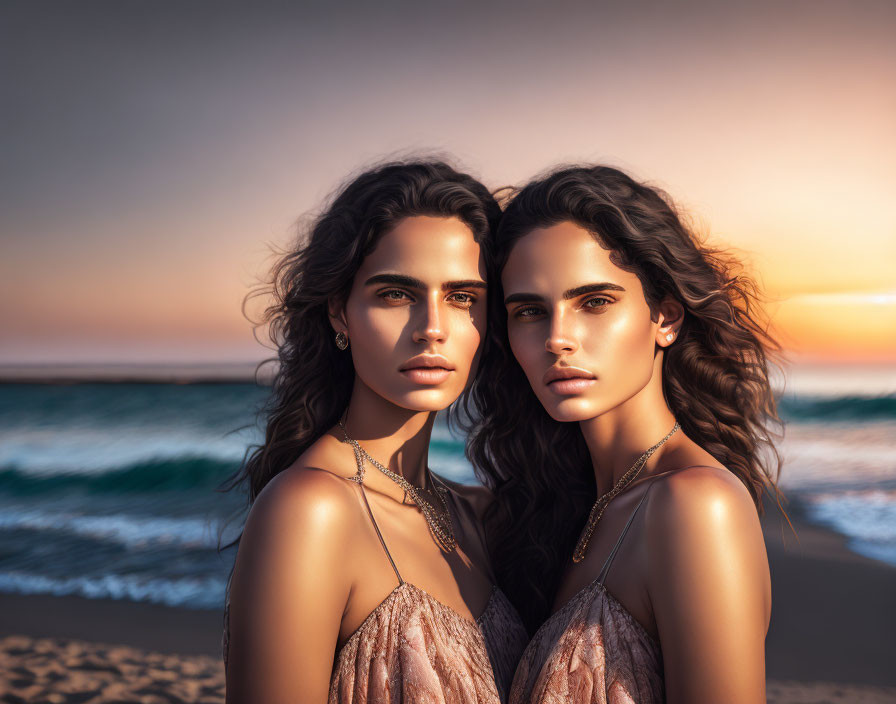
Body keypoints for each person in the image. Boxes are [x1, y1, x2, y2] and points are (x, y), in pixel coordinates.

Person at [462, 165, 783, 703]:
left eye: (594, 302)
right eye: (530, 311)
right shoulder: (556, 507)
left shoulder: (696, 504)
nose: (558, 338)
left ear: (666, 317)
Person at [224, 160, 528, 704]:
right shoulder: (310, 508)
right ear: (340, 312)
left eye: (462, 297)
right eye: (396, 294)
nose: (432, 327)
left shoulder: (477, 512)